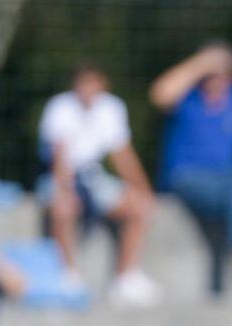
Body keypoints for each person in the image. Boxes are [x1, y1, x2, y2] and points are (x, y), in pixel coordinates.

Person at [150, 41, 232, 296]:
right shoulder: (188, 96)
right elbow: (160, 94)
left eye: (221, 72)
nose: (215, 78)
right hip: (186, 178)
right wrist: (200, 63)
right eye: (210, 72)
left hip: (228, 183)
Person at [37, 63, 162, 307]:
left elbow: (122, 155)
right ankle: (67, 276)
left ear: (102, 84)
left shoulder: (112, 108)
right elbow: (59, 158)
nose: (87, 89)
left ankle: (126, 277)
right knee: (63, 208)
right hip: (62, 176)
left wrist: (144, 190)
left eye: (92, 82)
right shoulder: (59, 108)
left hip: (93, 177)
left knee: (139, 207)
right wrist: (65, 190)